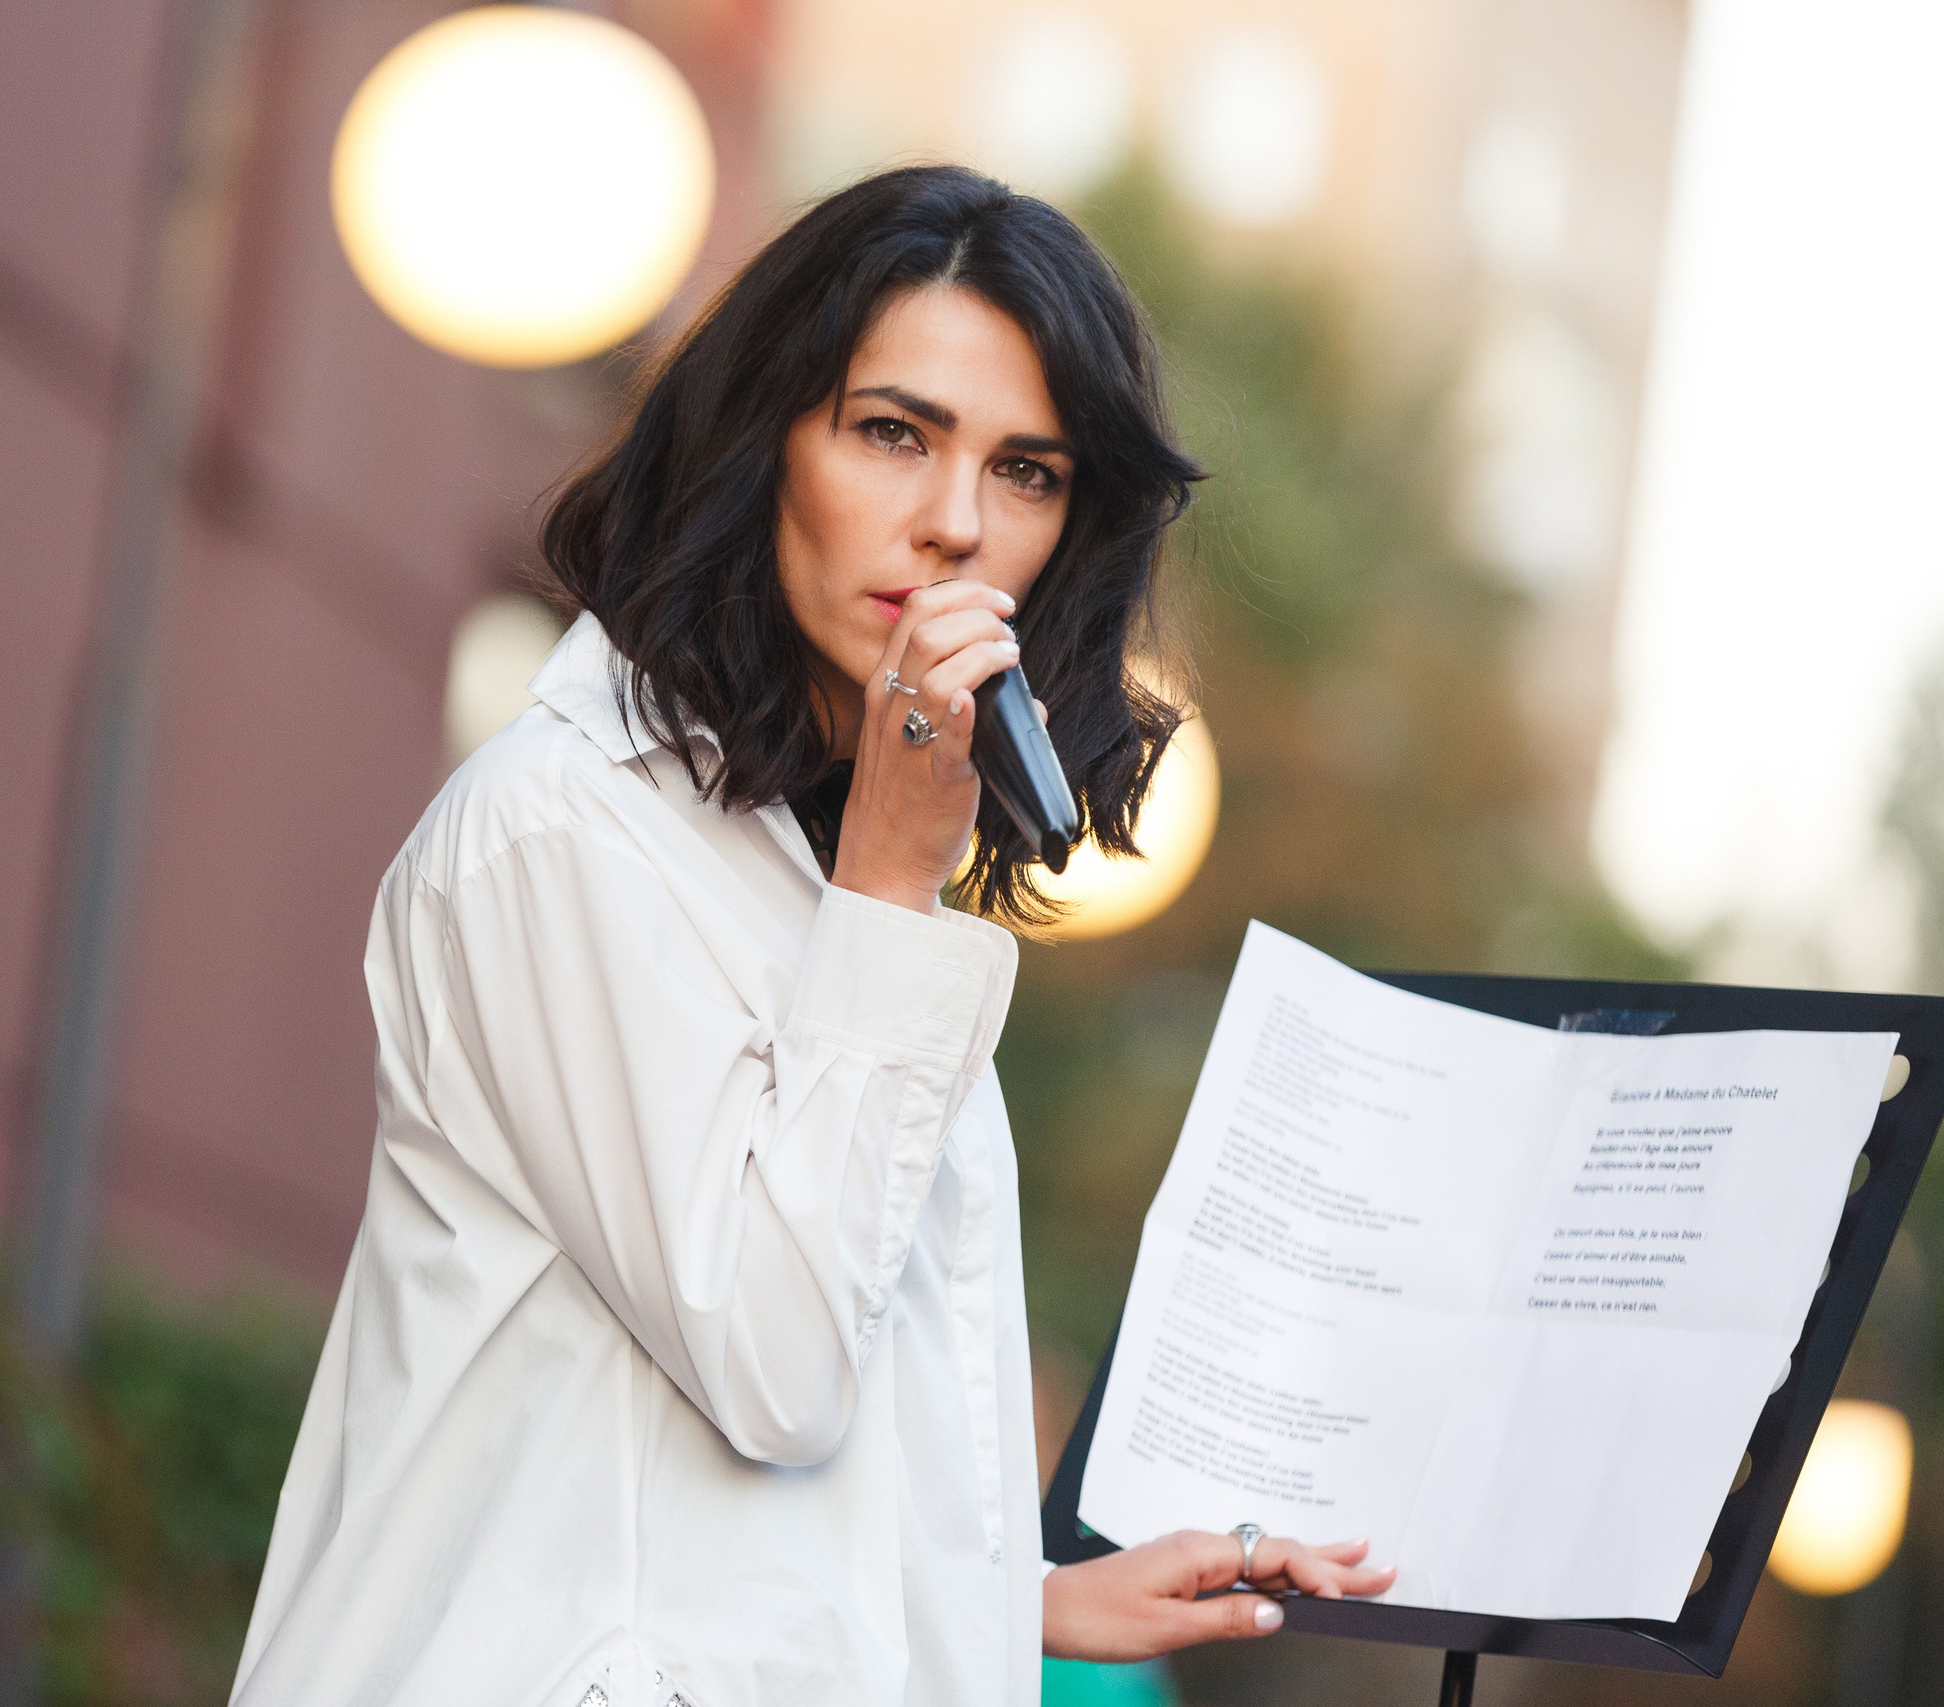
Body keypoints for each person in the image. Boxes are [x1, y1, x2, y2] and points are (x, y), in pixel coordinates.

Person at [229, 165, 1392, 1707]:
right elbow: (768, 1364)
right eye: (893, 434)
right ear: (762, 442)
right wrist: (894, 884)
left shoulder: (811, 865)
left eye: (1029, 471)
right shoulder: (564, 828)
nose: (958, 524)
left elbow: (760, 1438)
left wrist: (1013, 1595)